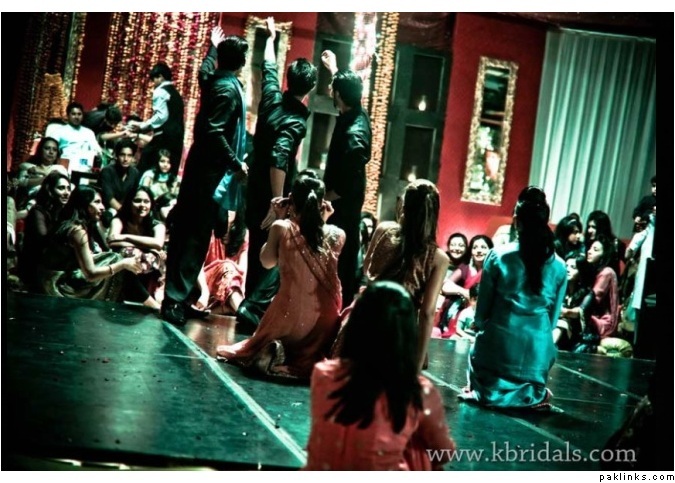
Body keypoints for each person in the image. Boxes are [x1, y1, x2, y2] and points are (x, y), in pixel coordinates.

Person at [305, 281, 456, 470]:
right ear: (407, 334)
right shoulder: (417, 392)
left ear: (356, 327)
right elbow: (444, 452)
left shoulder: (324, 374)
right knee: (419, 446)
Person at [216, 174, 344, 379]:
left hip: (289, 321)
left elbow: (267, 262)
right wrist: (323, 220)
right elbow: (317, 239)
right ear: (322, 204)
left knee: (265, 338)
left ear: (290, 200)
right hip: (323, 326)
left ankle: (278, 350)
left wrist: (279, 217)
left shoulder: (282, 227)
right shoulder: (338, 234)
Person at [160, 28, 249, 326]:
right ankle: (174, 299)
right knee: (193, 236)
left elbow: (203, 70)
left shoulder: (215, 80)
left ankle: (181, 297)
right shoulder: (227, 90)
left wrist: (212, 47)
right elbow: (212, 131)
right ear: (242, 62)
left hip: (202, 170)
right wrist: (236, 163)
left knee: (193, 234)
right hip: (208, 173)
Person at [460, 186, 567, 410]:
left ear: (517, 221)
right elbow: (553, 321)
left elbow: (481, 315)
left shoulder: (498, 256)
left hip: (498, 348)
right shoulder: (559, 266)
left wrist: (484, 329)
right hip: (538, 355)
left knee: (479, 349)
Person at [332, 179, 448, 374]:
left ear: (403, 205)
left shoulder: (383, 230)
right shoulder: (438, 258)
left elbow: (367, 269)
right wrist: (417, 364)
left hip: (363, 324)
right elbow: (427, 313)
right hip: (398, 335)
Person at [244, 16, 317, 300]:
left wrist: (271, 39)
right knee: (272, 250)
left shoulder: (272, 97)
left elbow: (269, 66)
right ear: (310, 88)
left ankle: (250, 305)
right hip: (274, 192)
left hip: (254, 184)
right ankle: (255, 308)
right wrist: (277, 202)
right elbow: (279, 156)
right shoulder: (296, 121)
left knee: (257, 246)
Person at [320, 50, 372, 307]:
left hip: (342, 209)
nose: (330, 90)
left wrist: (324, 199)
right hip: (340, 207)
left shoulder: (354, 134)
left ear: (338, 95)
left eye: (333, 88)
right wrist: (335, 69)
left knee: (340, 265)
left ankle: (338, 317)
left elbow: (347, 182)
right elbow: (347, 87)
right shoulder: (353, 109)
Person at [37, 185, 143, 300]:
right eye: (97, 202)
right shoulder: (76, 230)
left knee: (114, 257)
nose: (102, 207)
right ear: (85, 204)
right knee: (116, 259)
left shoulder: (73, 225)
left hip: (53, 280)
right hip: (57, 286)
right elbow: (90, 274)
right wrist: (123, 264)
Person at [107, 186, 166, 310]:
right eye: (137, 201)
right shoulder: (119, 220)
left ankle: (153, 301)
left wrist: (126, 237)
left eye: (146, 201)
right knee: (128, 256)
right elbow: (112, 241)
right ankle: (151, 304)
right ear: (129, 202)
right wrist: (147, 246)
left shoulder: (157, 225)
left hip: (149, 266)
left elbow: (158, 244)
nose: (142, 205)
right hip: (123, 264)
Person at [18, 171, 71, 292]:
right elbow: (43, 241)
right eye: (61, 188)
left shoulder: (64, 213)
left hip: (55, 265)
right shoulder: (38, 211)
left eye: (68, 188)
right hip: (35, 268)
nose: (66, 192)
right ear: (49, 191)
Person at [128, 62, 185, 175]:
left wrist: (141, 127)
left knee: (145, 166)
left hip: (163, 137)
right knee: (168, 171)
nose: (153, 83)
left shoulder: (160, 91)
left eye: (153, 79)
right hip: (177, 139)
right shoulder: (176, 94)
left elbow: (160, 116)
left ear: (160, 77)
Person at [45, 101, 102, 173]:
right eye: (73, 114)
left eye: (79, 114)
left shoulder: (89, 133)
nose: (76, 117)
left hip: (85, 166)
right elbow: (50, 147)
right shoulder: (59, 131)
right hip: (65, 165)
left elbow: (97, 150)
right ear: (68, 115)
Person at [99, 139, 142, 226]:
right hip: (109, 210)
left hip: (127, 211)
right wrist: (124, 213)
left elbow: (134, 195)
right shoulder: (107, 171)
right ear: (116, 155)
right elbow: (109, 198)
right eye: (122, 155)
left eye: (129, 155)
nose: (125, 159)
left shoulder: (135, 173)